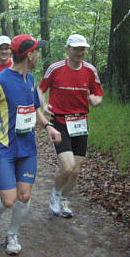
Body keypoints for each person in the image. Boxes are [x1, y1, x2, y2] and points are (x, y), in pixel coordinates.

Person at [0, 34, 61, 255]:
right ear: (29, 55)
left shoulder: (29, 79)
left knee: (25, 196)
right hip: (4, 149)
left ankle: (12, 234)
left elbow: (33, 108)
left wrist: (47, 126)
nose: (39, 55)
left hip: (28, 148)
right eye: (37, 52)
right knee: (9, 200)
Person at [38, 34, 103, 218]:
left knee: (75, 171)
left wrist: (95, 100)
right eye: (76, 49)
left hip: (81, 123)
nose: (80, 53)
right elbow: (41, 89)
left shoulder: (90, 70)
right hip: (60, 122)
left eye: (82, 49)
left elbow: (98, 95)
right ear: (68, 50)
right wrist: (44, 105)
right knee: (67, 167)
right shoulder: (55, 68)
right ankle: (55, 195)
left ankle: (64, 199)